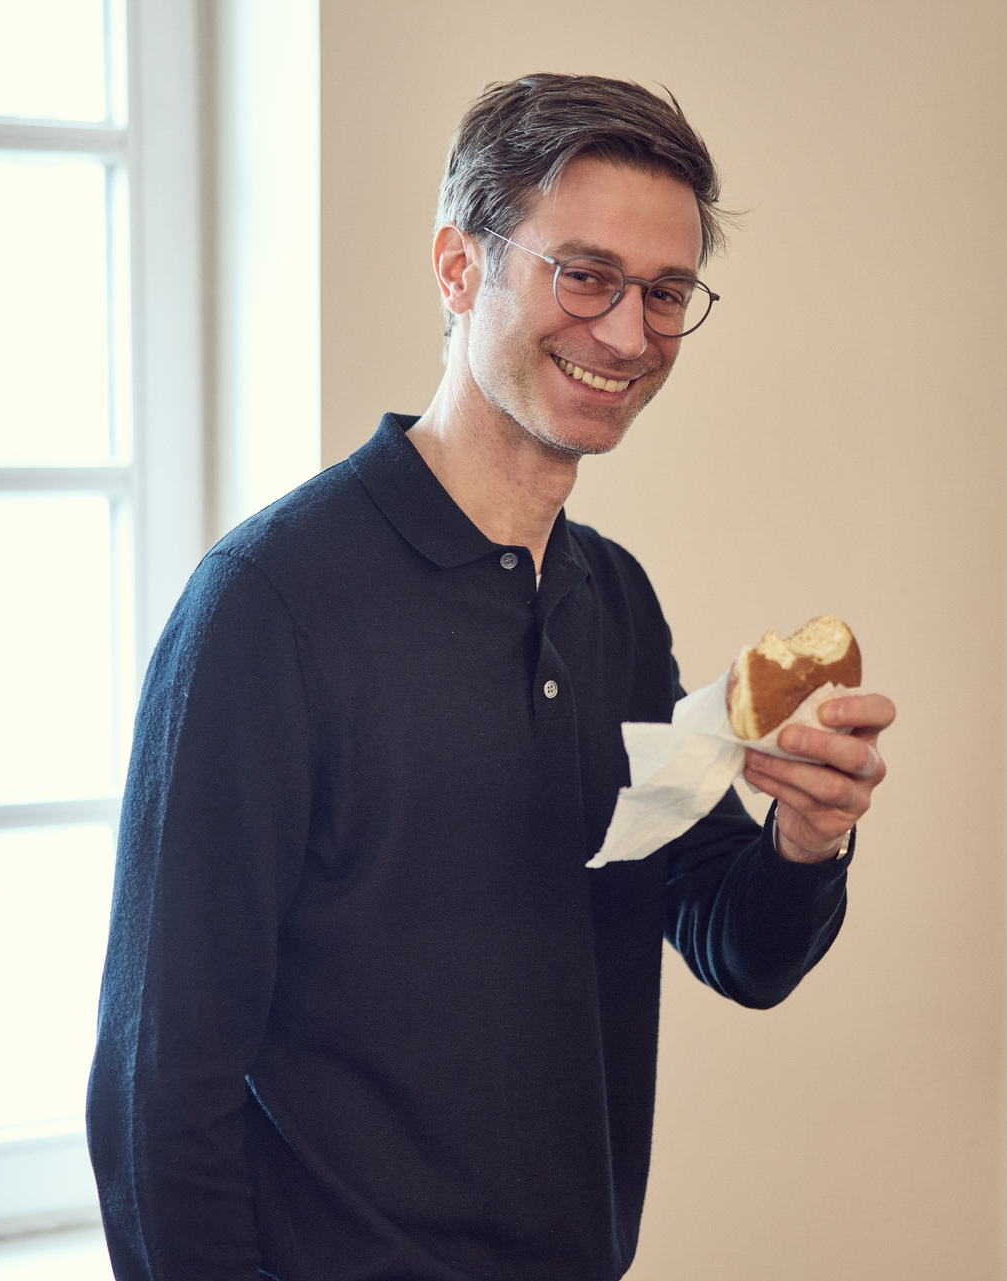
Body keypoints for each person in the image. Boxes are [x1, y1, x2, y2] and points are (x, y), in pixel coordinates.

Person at [87, 73, 895, 1281]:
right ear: (460, 267)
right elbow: (161, 1084)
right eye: (585, 274)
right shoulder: (267, 608)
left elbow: (737, 944)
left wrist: (806, 838)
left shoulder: (614, 604)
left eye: (665, 292)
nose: (627, 333)